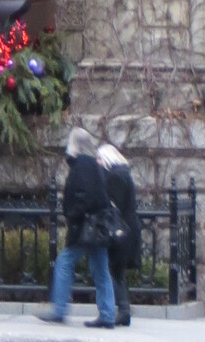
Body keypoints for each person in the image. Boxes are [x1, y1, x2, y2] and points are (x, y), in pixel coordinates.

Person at [42, 126, 116, 327]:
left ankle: (59, 309)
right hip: (98, 226)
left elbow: (83, 196)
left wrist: (72, 213)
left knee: (64, 262)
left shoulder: (81, 165)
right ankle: (108, 315)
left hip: (84, 227)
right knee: (101, 269)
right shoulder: (95, 164)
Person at [99, 140, 141, 329]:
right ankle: (124, 310)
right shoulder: (123, 173)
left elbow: (113, 205)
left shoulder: (115, 177)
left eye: (99, 159)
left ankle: (123, 310)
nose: (98, 162)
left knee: (113, 270)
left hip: (121, 229)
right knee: (117, 271)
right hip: (128, 227)